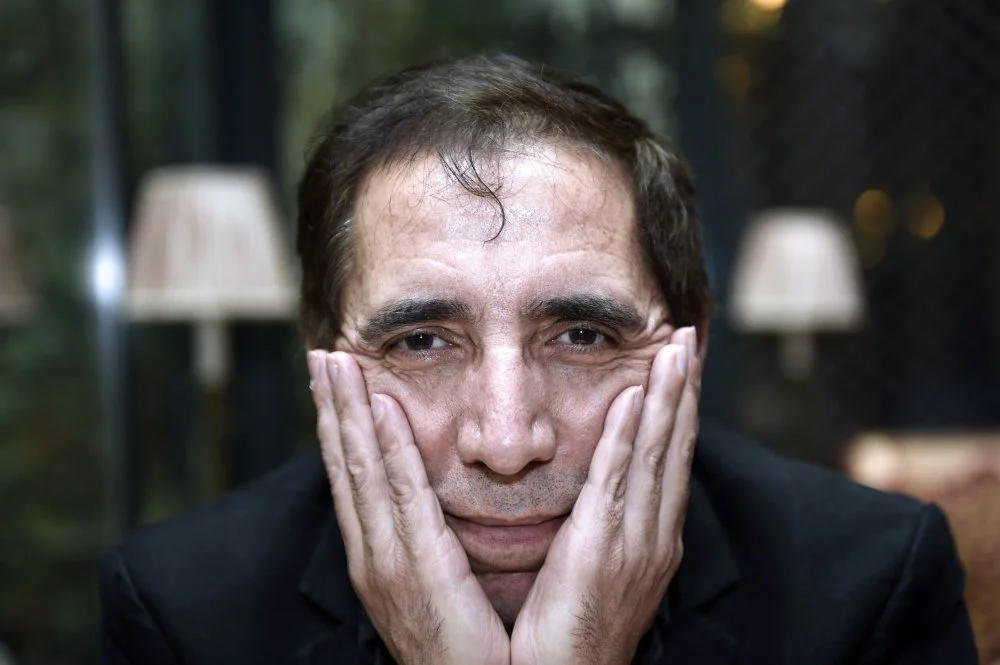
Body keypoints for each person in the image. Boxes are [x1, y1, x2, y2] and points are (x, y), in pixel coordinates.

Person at [99, 54, 978, 664]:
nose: (509, 438)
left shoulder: (867, 584)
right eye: (422, 341)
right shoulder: (183, 610)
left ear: (692, 350)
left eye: (583, 336)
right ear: (325, 360)